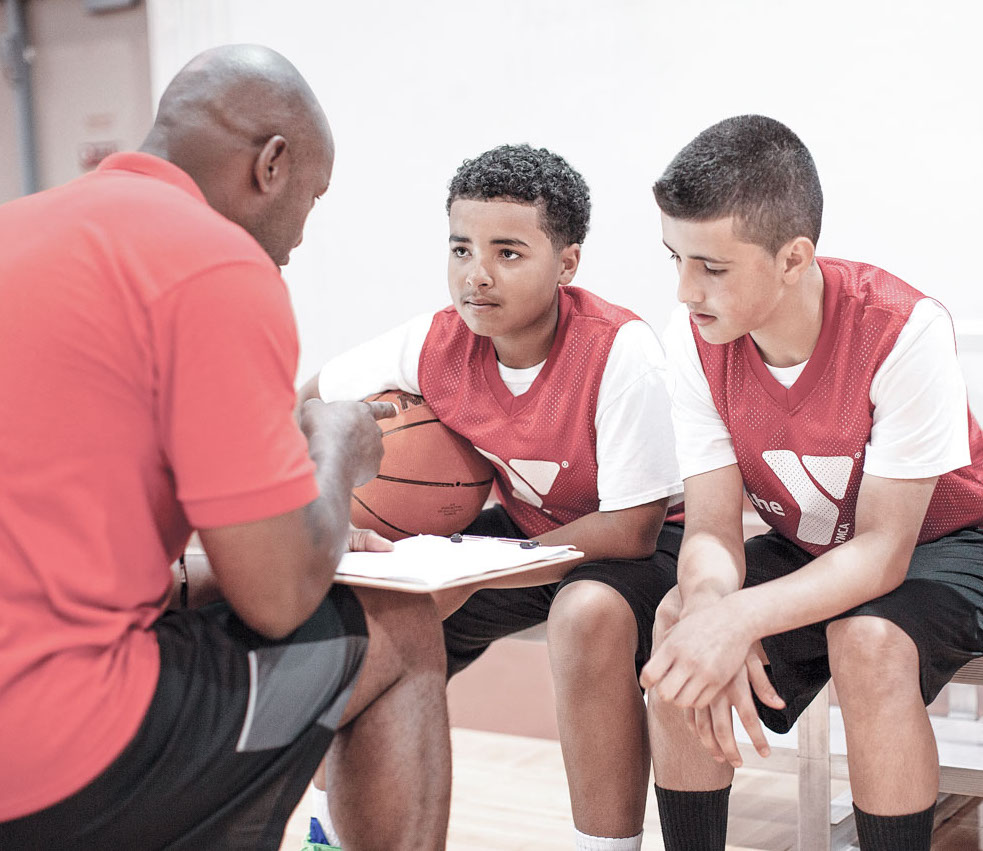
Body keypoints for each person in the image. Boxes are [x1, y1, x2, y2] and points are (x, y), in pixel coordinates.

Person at [0, 44, 450, 850]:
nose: (302, 238)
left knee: (197, 605)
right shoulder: (217, 264)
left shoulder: (21, 225)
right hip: (50, 754)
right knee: (399, 623)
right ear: (271, 165)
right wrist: (337, 444)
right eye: (312, 200)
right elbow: (275, 597)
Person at [299, 144, 684, 851]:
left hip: (650, 541)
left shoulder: (620, 350)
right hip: (528, 530)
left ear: (565, 264)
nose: (475, 274)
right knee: (373, 620)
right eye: (460, 248)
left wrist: (482, 559)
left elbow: (632, 528)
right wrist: (332, 514)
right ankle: (330, 832)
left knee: (586, 611)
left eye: (508, 252)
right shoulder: (434, 341)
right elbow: (305, 407)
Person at [640, 114, 983, 851]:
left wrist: (739, 619)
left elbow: (884, 553)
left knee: (868, 640)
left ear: (793, 257)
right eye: (675, 258)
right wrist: (708, 606)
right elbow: (708, 527)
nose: (684, 290)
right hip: (817, 543)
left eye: (712, 266)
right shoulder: (695, 336)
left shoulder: (902, 328)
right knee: (677, 624)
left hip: (946, 540)